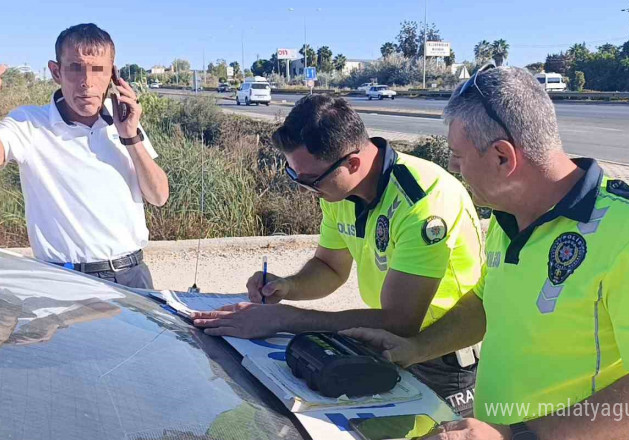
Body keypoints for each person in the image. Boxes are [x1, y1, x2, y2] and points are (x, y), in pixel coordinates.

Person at [343, 64, 629, 440]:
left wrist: (513, 436)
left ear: (503, 157)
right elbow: (485, 305)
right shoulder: (508, 217)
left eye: (458, 155)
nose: (452, 166)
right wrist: (414, 348)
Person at [192, 95, 485, 416]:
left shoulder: (424, 201)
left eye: (310, 180)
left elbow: (402, 322)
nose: (306, 189)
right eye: (295, 177)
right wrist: (287, 286)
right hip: (385, 343)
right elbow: (330, 267)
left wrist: (286, 320)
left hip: (442, 359)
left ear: (353, 163)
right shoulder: (337, 191)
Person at [0, 23, 169, 289]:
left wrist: (130, 136)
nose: (87, 81)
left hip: (134, 276)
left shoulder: (124, 120)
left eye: (98, 69)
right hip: (65, 281)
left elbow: (158, 196)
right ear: (56, 72)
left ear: (112, 75)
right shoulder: (28, 123)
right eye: (75, 68)